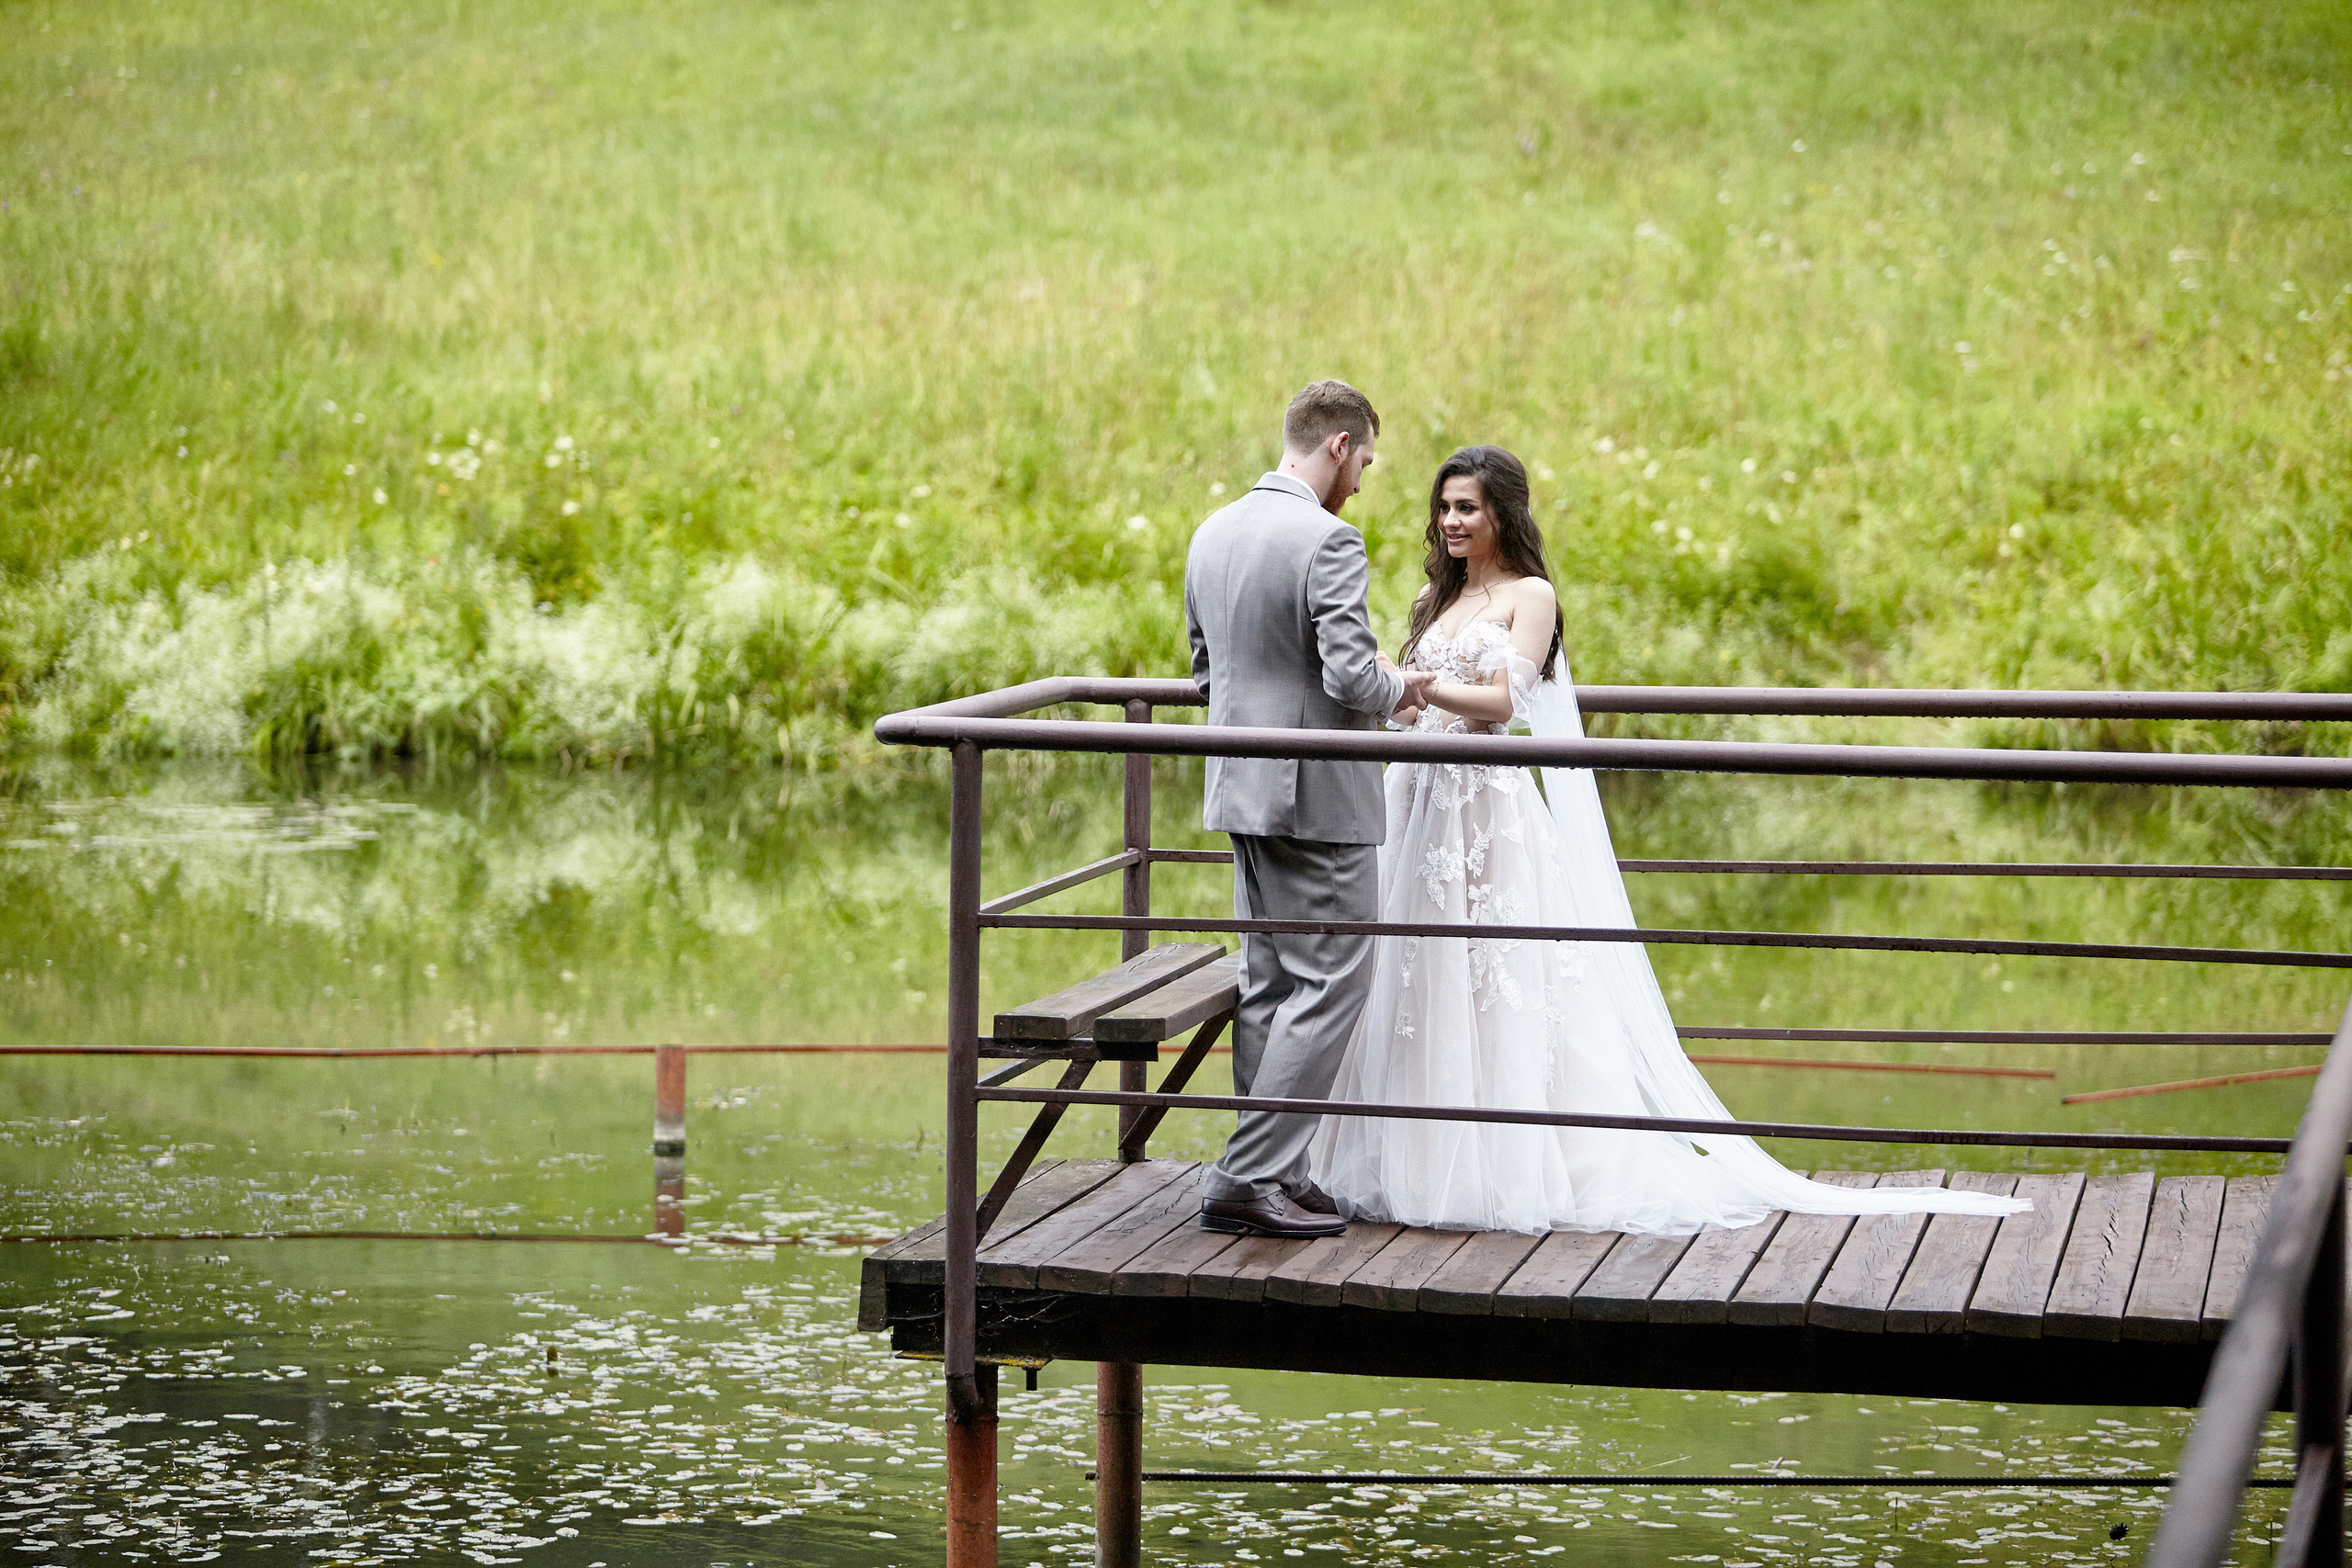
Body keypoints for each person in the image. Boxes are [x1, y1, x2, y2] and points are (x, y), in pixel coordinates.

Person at [1307, 445, 2029, 1235]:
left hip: (1486, 812)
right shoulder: (1431, 598)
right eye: (1444, 507)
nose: (1451, 521)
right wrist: (1393, 687)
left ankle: (1509, 1160)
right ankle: (1415, 1159)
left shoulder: (1530, 595)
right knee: (1417, 975)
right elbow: (1415, 710)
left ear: (1501, 513)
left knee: (1494, 977)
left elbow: (1506, 703)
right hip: (1418, 803)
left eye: (1467, 507)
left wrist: (1420, 684)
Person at [1182, 379, 1439, 1238]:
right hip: (1317, 799)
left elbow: (1203, 672)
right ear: (1338, 446)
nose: (1361, 481)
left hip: (1239, 787)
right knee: (1332, 979)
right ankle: (1247, 1176)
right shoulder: (1329, 539)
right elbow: (1351, 676)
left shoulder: (1213, 531)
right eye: (1363, 461)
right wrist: (1405, 687)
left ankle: (1278, 1171)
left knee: (1269, 981)